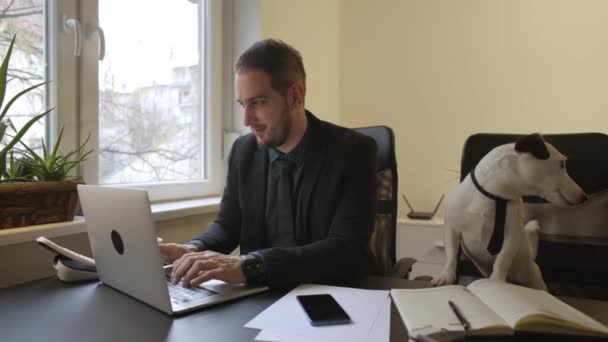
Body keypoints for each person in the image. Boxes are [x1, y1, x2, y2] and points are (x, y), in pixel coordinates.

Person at [161, 39, 377, 288]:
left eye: (259, 102)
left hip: (334, 295)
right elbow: (227, 225)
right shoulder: (243, 151)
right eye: (243, 104)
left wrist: (249, 266)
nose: (247, 119)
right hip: (260, 296)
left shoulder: (353, 151)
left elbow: (346, 248)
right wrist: (193, 248)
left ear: (295, 95)